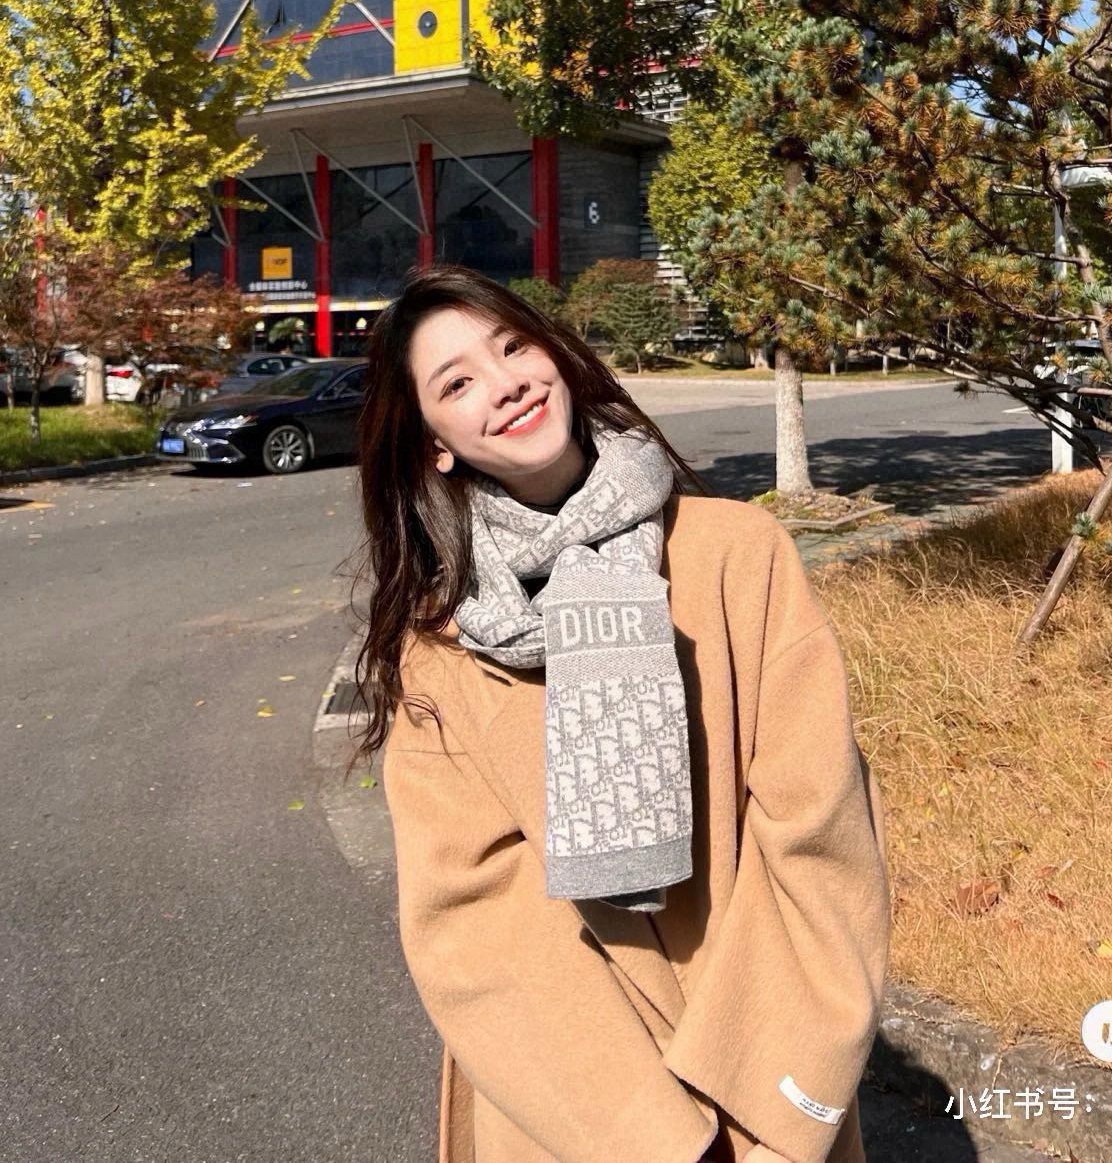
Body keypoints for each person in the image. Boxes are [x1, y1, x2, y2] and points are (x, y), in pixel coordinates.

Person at [351, 263, 891, 1163]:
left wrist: (775, 1091)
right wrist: (653, 1136)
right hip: (581, 1111)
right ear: (434, 443)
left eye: (513, 346)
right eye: (457, 383)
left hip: (762, 1070)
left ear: (556, 355)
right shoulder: (441, 649)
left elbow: (818, 824)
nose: (506, 383)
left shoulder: (735, 555)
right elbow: (473, 922)